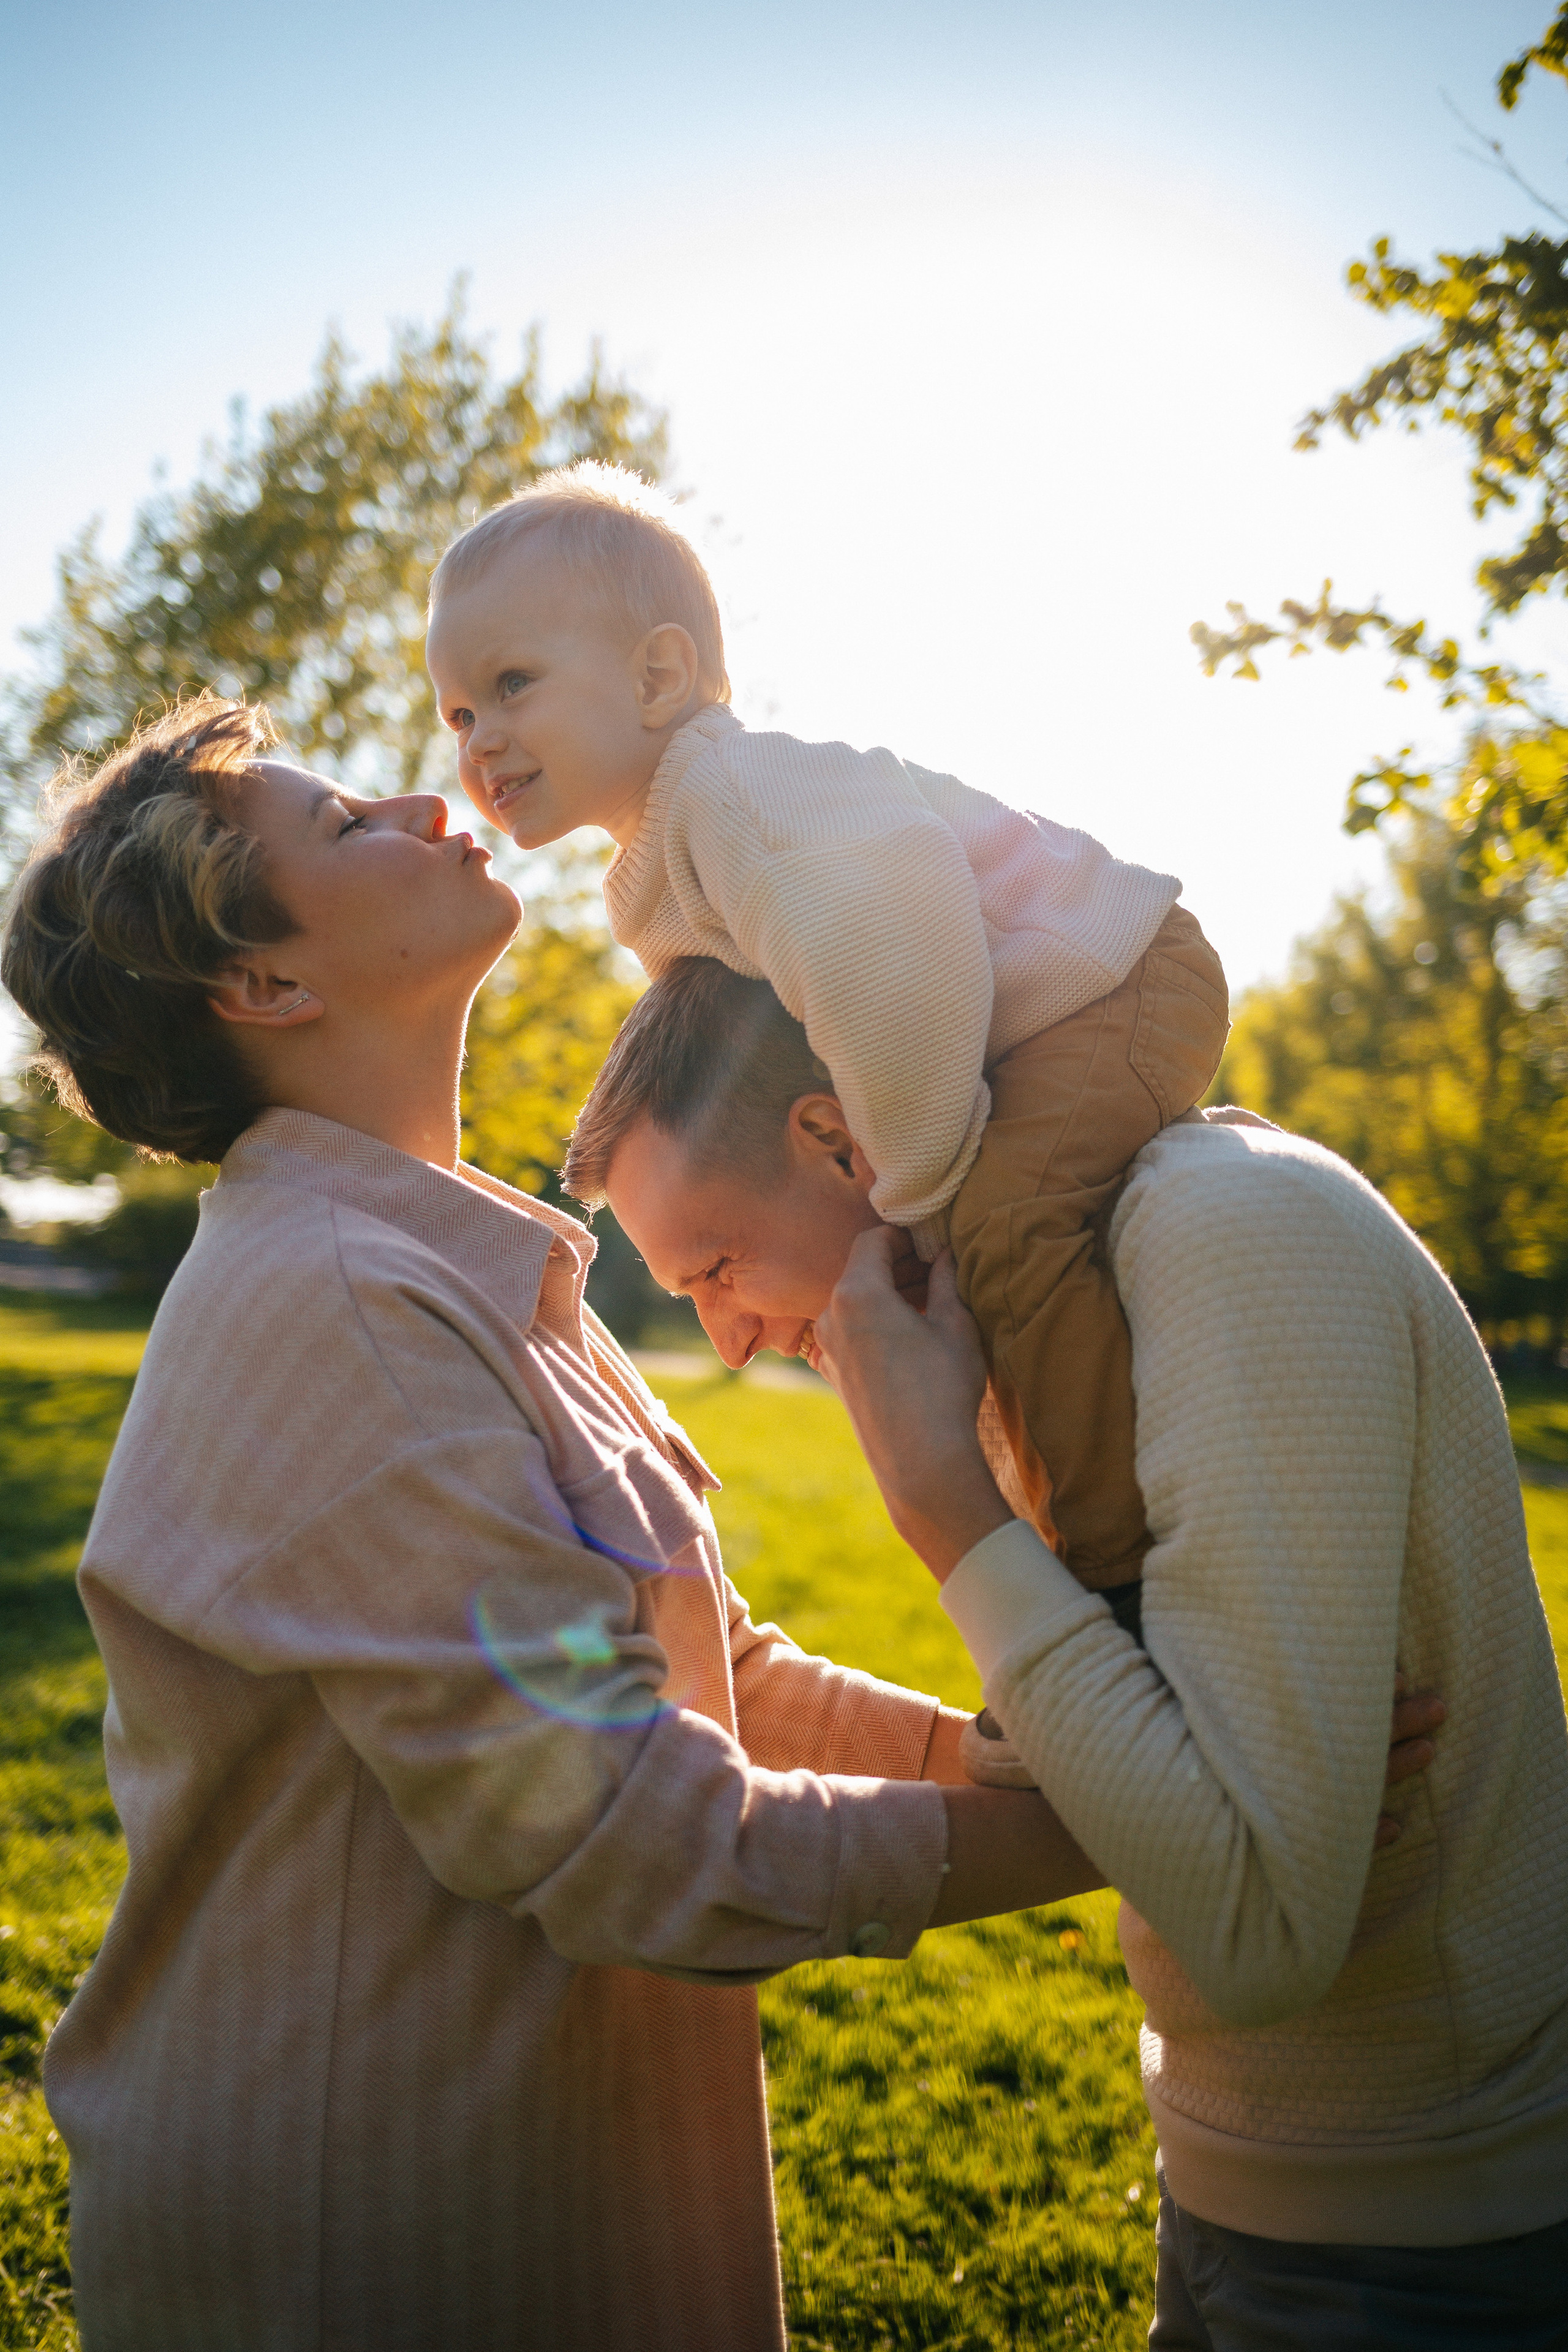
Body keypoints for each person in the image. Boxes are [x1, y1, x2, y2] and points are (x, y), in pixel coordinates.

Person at [1, 697, 1108, 2352]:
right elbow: (636, 1842)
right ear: (269, 986)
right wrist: (1136, 1826)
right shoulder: (342, 1306)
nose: (429, 799)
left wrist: (1055, 1760)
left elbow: (699, 1675)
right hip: (370, 2246)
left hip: (562, 2197)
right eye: (346, 821)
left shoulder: (468, 1266)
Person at [577, 954, 1568, 2350]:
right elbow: (1128, 1774)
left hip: (1429, 2232)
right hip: (1239, 2193)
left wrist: (948, 1513)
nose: (730, 1341)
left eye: (718, 1268)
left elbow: (1251, 1922)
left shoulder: (1221, 1235)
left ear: (835, 1139)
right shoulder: (1025, 1322)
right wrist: (1085, 1746)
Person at [423, 461, 1230, 1654]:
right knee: (979, 1301)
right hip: (1020, 1022)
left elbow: (890, 943)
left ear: (657, 675)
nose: (479, 740)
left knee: (1002, 1240)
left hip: (1104, 976)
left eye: (511, 686)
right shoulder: (658, 861)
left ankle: (1132, 1596)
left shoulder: (734, 797)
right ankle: (1069, 1561)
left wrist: (911, 1198)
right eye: (456, 714)